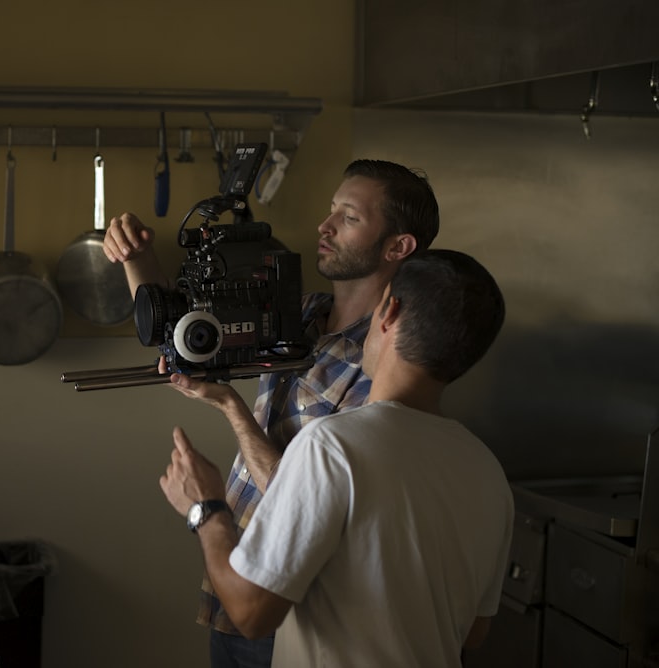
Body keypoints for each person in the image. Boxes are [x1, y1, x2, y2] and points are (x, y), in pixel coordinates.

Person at [104, 159, 440, 668]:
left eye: (349, 217)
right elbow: (178, 330)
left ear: (398, 246)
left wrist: (230, 408)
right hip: (237, 572)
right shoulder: (296, 312)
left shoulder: (389, 360)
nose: (325, 227)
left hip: (294, 612)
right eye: (332, 211)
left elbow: (309, 496)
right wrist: (136, 256)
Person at [159, 249, 512, 667]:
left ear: (388, 312)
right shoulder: (488, 470)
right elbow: (475, 631)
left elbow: (251, 613)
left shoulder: (331, 446)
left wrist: (207, 508)